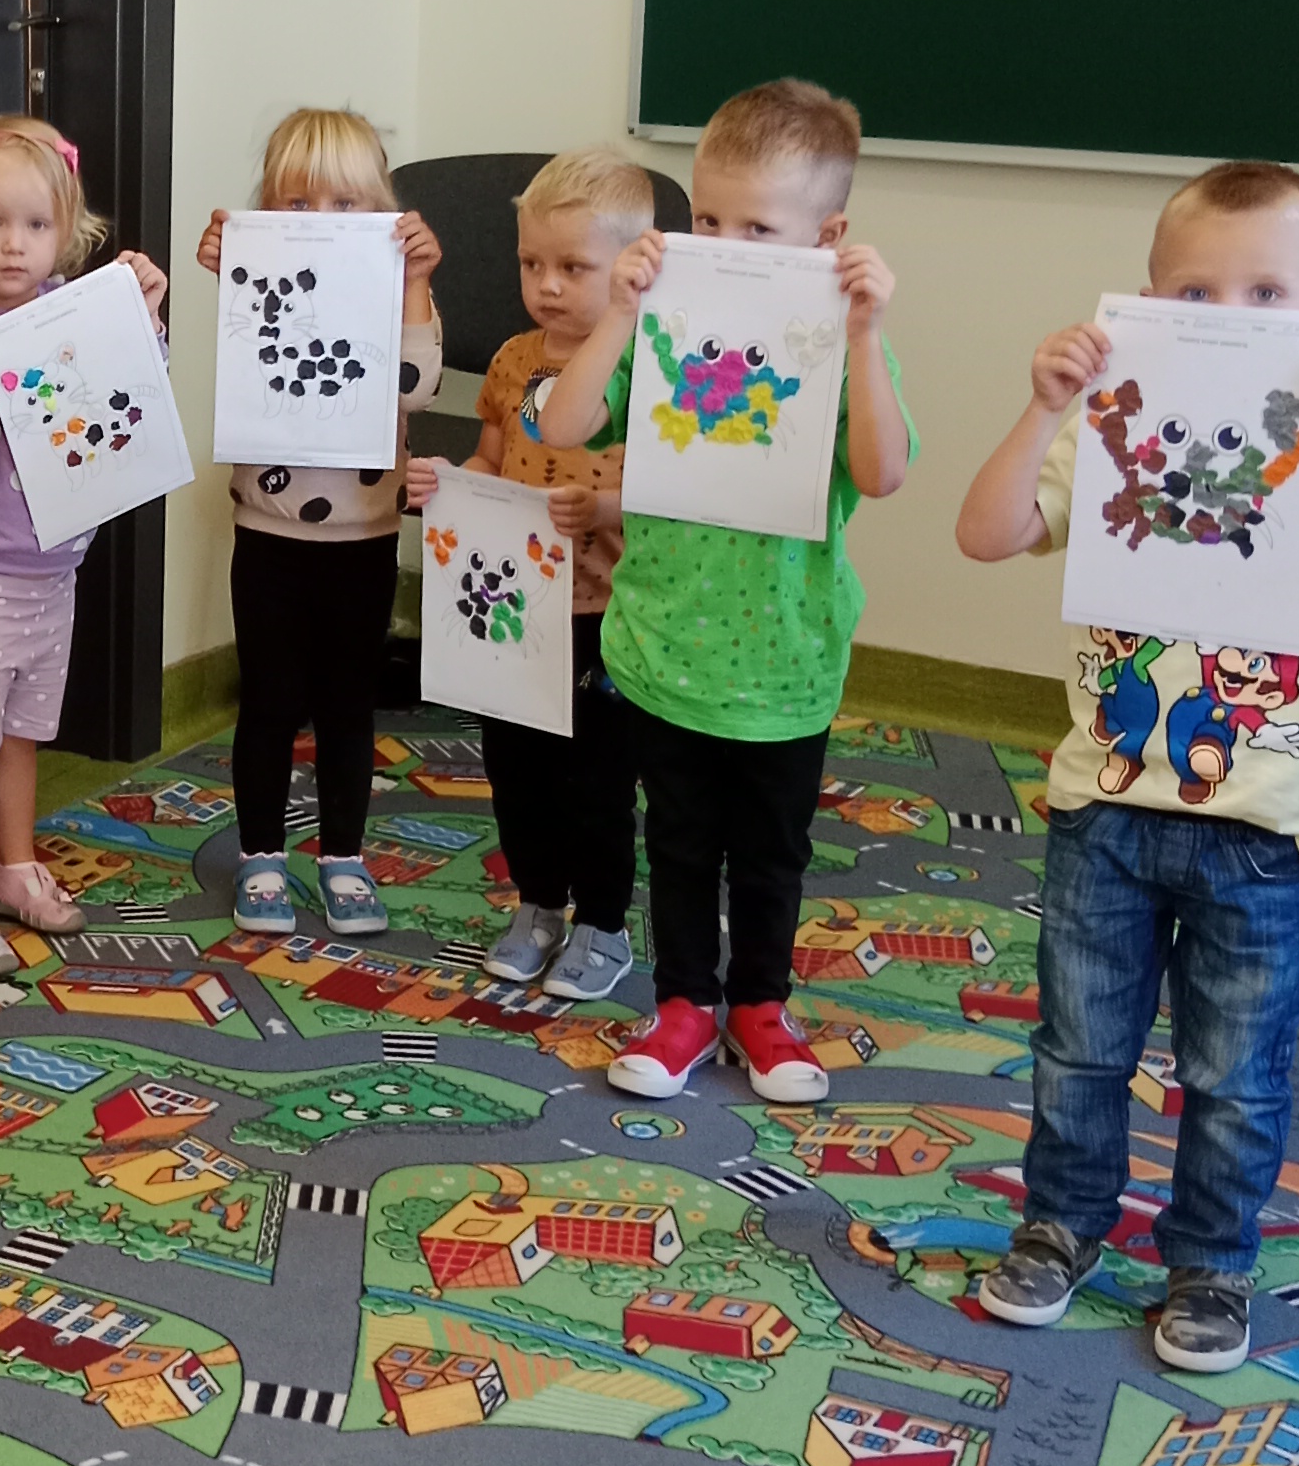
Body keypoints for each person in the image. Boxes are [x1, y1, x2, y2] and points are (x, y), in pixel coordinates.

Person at [954, 157, 1299, 1372]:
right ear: (1147, 302)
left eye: (1268, 295)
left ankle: (1211, 1262)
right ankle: (1060, 1225)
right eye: (1196, 294)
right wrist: (1043, 407)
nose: (1230, 318)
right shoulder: (1116, 433)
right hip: (1108, 808)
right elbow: (985, 533)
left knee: (1235, 1074)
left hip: (1273, 829)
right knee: (1079, 1048)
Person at [539, 77, 908, 1100]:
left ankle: (761, 1007)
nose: (723, 243)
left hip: (788, 659)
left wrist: (868, 334)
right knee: (681, 843)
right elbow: (562, 426)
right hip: (667, 645)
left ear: (827, 237)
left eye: (757, 226)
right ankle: (685, 1006)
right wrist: (621, 311)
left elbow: (882, 473)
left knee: (771, 853)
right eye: (707, 219)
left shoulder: (840, 343)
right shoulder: (666, 323)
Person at [0, 113, 171, 976]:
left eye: (36, 224)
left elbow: (127, 406)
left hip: (54, 571)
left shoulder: (73, 312)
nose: (15, 244)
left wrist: (144, 321)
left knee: (21, 733)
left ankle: (13, 867)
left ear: (67, 230)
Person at [405, 146, 647, 1000]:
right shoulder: (513, 359)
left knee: (598, 780)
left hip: (607, 611)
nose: (546, 284)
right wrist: (452, 484)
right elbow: (493, 456)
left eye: (572, 267)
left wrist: (604, 509)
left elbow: (673, 495)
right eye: (530, 263)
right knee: (516, 768)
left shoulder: (649, 366)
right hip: (515, 604)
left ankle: (604, 923)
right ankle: (539, 902)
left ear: (629, 269)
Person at [194, 105, 443, 933]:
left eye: (346, 203)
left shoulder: (395, 288)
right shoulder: (274, 279)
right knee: (268, 700)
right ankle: (261, 854)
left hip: (364, 535)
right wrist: (231, 266)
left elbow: (414, 385)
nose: (322, 221)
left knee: (346, 705)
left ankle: (343, 856)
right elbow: (252, 343)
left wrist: (415, 282)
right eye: (297, 204)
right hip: (268, 531)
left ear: (382, 211)